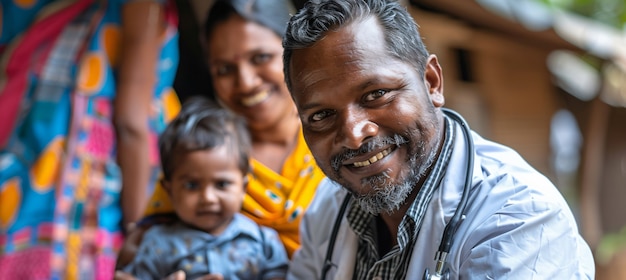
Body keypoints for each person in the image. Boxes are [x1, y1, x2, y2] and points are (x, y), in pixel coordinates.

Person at [282, 0, 596, 279]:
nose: (353, 133)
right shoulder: (328, 208)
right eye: (321, 115)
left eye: (376, 94)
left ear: (432, 82)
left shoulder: (520, 218)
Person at [117, 0, 326, 267]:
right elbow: (139, 253)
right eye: (225, 69)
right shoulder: (200, 157)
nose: (246, 82)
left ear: (295, 52)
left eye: (261, 58)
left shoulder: (336, 139)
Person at [0, 0, 179, 278]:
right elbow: (132, 124)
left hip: (22, 188)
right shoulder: (143, 6)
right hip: (85, 201)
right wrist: (140, 231)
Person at [122, 97, 288, 279]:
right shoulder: (156, 245)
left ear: (243, 187)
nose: (208, 197)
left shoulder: (263, 243)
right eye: (192, 185)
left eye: (222, 184)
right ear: (169, 191)